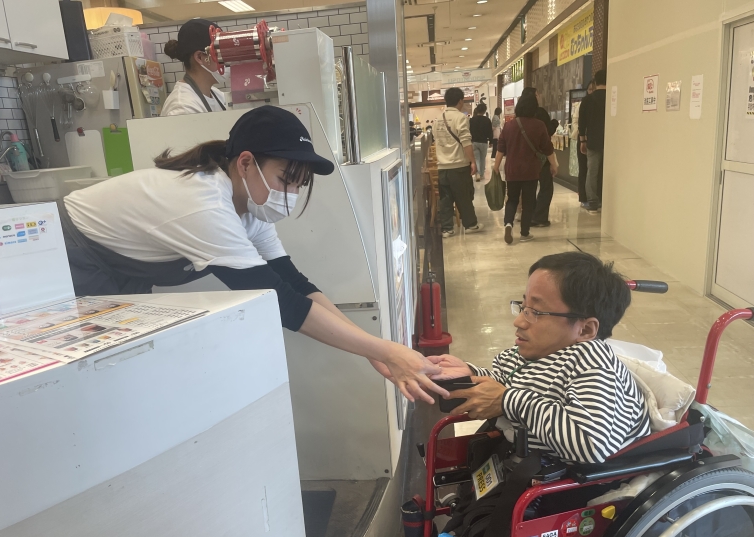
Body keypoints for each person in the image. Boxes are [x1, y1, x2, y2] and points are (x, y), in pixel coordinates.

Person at [59, 105, 447, 404]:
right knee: (95, 375)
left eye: (298, 185)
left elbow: (294, 283)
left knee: (122, 368)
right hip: (72, 254)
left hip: (123, 267)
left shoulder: (249, 209)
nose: (289, 195)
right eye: (285, 179)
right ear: (245, 163)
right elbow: (281, 302)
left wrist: (372, 348)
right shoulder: (205, 203)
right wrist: (383, 350)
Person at [429, 252, 650, 464]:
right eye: (523, 307)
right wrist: (472, 374)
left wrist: (509, 401)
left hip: (576, 481)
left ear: (585, 330)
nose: (518, 321)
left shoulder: (592, 364)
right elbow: (507, 383)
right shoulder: (533, 352)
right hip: (523, 458)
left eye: (536, 312)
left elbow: (592, 445)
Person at [493, 93, 557, 244]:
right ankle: (524, 233)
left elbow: (501, 148)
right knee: (529, 202)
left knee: (512, 199)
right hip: (531, 170)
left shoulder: (509, 126)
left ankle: (508, 224)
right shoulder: (539, 125)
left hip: (512, 170)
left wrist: (495, 167)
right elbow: (548, 148)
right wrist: (554, 165)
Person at [432, 88, 480, 238]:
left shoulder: (437, 119)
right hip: (459, 165)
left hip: (442, 166)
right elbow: (466, 141)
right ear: (460, 101)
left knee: (445, 199)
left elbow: (436, 140)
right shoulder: (461, 118)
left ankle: (447, 229)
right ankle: (470, 224)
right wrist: (473, 161)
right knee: (464, 195)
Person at [161, 18, 228, 116]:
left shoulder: (216, 94)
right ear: (199, 57)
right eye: (219, 53)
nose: (225, 60)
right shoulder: (183, 108)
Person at [516, 88, 559, 228]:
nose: (539, 96)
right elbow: (547, 137)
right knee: (546, 187)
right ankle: (539, 217)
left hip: (524, 158)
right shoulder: (540, 114)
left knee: (529, 188)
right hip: (541, 158)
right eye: (537, 94)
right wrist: (554, 123)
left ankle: (528, 215)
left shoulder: (518, 118)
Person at [579, 71, 607, 214]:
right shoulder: (613, 97)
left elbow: (581, 122)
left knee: (592, 172)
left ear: (595, 83)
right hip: (610, 142)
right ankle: (606, 199)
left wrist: (582, 140)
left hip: (593, 141)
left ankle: (592, 202)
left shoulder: (587, 100)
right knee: (608, 171)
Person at [577, 80, 595, 207]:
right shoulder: (583, 103)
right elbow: (579, 123)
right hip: (583, 139)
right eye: (590, 89)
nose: (592, 92)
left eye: (594, 89)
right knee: (583, 169)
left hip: (593, 140)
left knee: (592, 170)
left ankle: (592, 197)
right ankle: (583, 197)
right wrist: (582, 139)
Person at [469, 103, 491, 182]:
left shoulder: (471, 120)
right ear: (484, 111)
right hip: (484, 142)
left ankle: (477, 173)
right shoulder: (487, 120)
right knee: (482, 158)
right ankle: (481, 174)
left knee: (476, 158)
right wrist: (491, 141)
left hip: (474, 141)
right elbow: (490, 131)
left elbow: (469, 131)